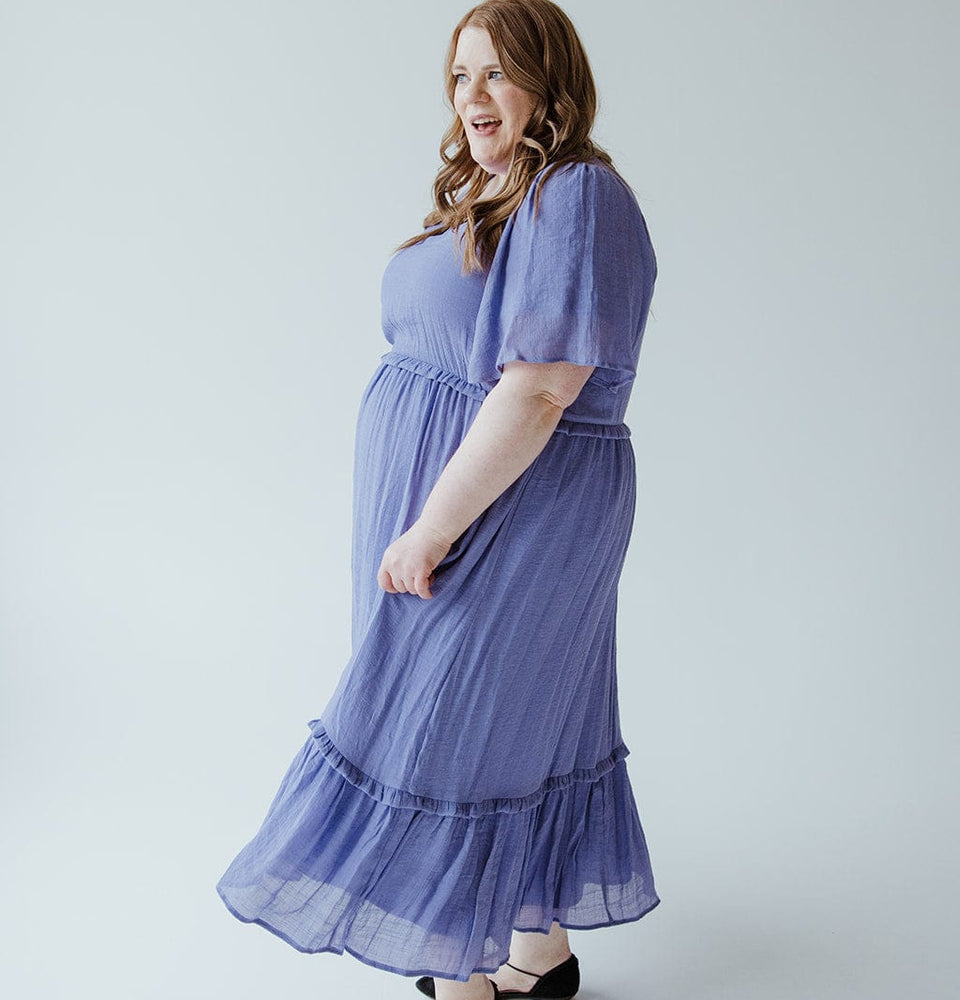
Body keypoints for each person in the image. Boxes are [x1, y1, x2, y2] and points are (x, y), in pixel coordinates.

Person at [216, 1, 660, 998]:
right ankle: (533, 950)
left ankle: (457, 961)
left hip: (511, 507)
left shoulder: (575, 195)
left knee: (450, 724)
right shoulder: (496, 197)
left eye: (498, 73)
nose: (474, 97)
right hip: (466, 501)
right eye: (460, 76)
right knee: (511, 726)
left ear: (551, 82)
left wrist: (430, 526)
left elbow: (544, 386)